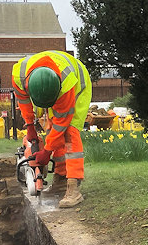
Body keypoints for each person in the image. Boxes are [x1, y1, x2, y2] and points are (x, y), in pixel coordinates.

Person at [11, 50, 92, 207]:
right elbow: (24, 102)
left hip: (78, 86)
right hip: (55, 88)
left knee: (69, 133)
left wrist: (47, 152)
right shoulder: (19, 76)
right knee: (51, 130)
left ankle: (73, 189)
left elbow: (62, 124)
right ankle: (61, 179)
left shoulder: (66, 85)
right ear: (28, 86)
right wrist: (30, 127)